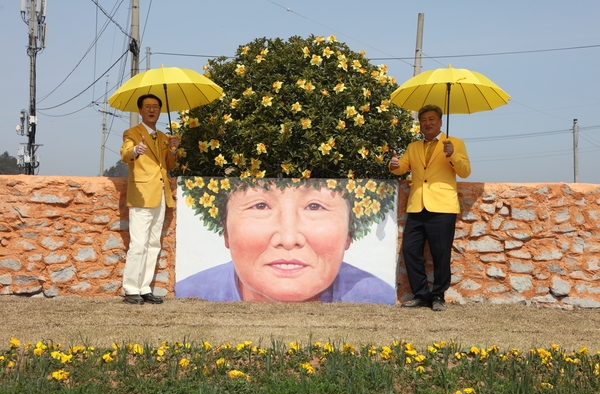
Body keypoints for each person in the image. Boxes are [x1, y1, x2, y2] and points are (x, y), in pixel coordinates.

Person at [175, 178, 398, 304]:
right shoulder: (191, 295)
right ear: (225, 232)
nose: (289, 240)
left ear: (350, 233)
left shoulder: (378, 297)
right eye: (260, 205)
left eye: (315, 206)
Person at [389, 104, 471, 311]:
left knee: (441, 253)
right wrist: (394, 165)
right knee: (410, 250)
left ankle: (438, 297)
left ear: (440, 122)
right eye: (423, 120)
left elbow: (465, 171)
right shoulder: (413, 147)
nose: (427, 123)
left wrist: (452, 154)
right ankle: (421, 295)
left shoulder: (455, 144)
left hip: (443, 206)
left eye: (431, 119)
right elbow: (402, 169)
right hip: (417, 206)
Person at [120, 94, 180, 305]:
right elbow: (125, 153)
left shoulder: (164, 137)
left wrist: (173, 149)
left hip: (161, 195)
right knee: (138, 244)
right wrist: (136, 150)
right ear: (140, 111)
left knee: (154, 243)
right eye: (147, 107)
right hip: (142, 195)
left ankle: (144, 287)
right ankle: (130, 288)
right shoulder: (132, 133)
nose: (151, 110)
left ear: (160, 111)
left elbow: (170, 165)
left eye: (155, 107)